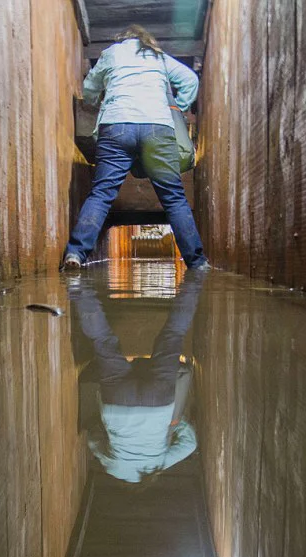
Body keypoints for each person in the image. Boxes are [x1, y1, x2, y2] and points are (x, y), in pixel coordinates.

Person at [63, 25, 209, 271]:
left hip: (117, 125)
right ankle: (197, 262)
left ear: (122, 39)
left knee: (101, 194)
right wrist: (178, 109)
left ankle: (76, 254)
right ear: (145, 40)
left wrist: (98, 99)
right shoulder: (158, 56)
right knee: (174, 198)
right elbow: (189, 80)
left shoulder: (112, 53)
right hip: (158, 127)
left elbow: (89, 89)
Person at [69, 270, 205, 484]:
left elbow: (190, 444)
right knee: (103, 340)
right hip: (118, 404)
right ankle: (76, 286)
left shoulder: (158, 465)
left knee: (173, 334)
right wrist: (102, 428)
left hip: (158, 403)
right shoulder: (114, 468)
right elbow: (93, 439)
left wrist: (176, 424)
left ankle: (196, 279)